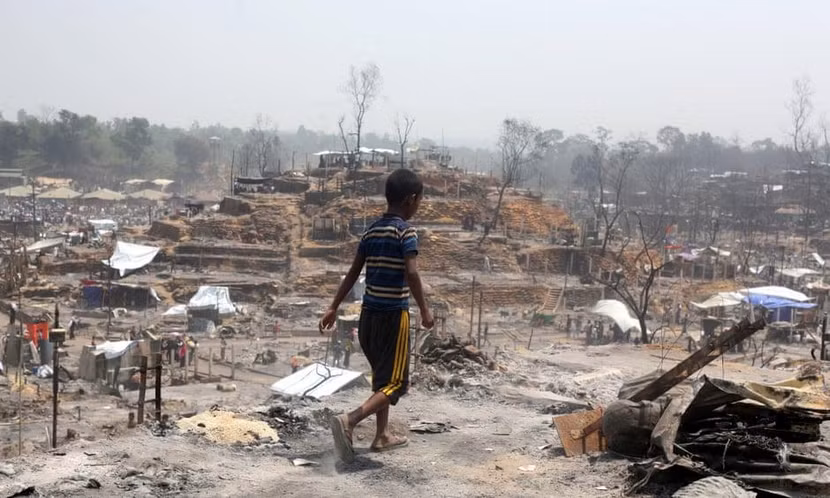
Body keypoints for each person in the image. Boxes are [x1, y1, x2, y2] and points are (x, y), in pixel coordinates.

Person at [319, 169, 433, 463]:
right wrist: (424, 309)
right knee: (396, 383)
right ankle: (351, 420)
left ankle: (382, 436)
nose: (418, 205)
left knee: (382, 377)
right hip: (394, 317)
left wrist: (333, 306)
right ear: (411, 199)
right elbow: (412, 272)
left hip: (368, 316)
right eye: (419, 200)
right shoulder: (406, 232)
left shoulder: (370, 231)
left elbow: (353, 273)